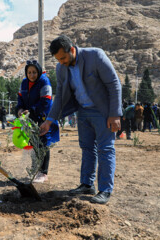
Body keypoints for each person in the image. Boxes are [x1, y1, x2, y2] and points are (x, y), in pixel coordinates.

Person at [40, 35, 122, 204]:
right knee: (87, 148)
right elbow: (60, 97)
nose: (61, 62)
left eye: (63, 57)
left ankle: (105, 190)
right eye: (58, 59)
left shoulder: (95, 56)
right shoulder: (61, 68)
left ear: (72, 49)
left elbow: (114, 83)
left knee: (105, 149)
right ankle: (86, 184)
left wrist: (114, 114)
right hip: (83, 112)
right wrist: (49, 120)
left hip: (102, 112)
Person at [17, 60, 59, 183]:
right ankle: (35, 169)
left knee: (44, 143)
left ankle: (43, 172)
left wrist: (30, 110)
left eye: (34, 72)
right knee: (34, 143)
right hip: (30, 118)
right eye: (29, 72)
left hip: (43, 117)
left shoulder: (44, 82)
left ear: (39, 71)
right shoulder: (24, 83)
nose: (31, 75)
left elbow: (46, 102)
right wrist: (19, 109)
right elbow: (20, 99)